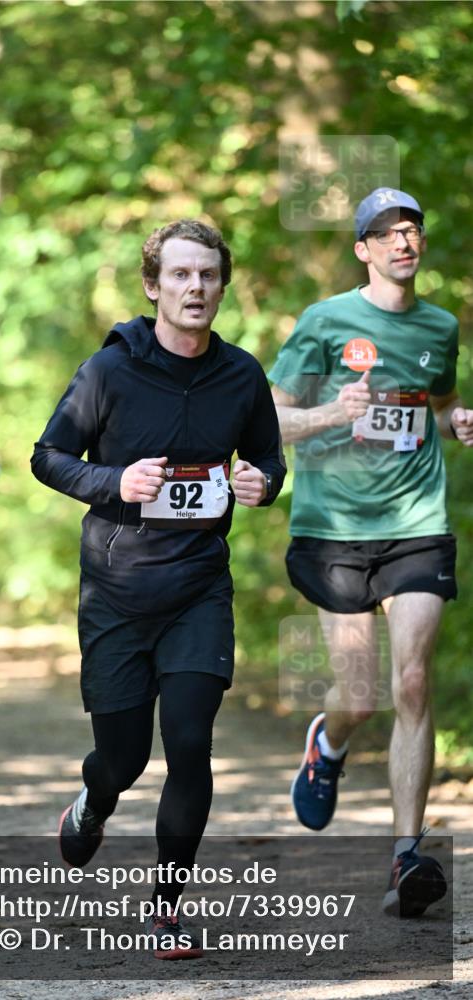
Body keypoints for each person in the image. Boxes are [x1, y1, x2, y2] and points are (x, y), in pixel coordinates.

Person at [32, 220, 285, 959]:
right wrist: (113, 480)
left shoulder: (241, 374)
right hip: (114, 588)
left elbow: (267, 458)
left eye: (207, 275)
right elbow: (47, 457)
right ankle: (93, 798)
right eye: (179, 275)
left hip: (197, 588)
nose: (194, 288)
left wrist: (261, 482)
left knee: (189, 743)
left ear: (221, 286)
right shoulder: (108, 372)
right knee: (124, 758)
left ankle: (165, 908)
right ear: (153, 286)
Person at [268, 188, 472, 917]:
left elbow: (440, 401)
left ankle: (404, 859)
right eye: (384, 233)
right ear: (362, 249)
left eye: (411, 229)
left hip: (417, 520)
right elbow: (269, 412)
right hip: (333, 529)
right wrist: (332, 412)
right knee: (359, 694)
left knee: (411, 682)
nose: (401, 242)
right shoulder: (325, 321)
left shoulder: (439, 325)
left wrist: (458, 420)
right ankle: (327, 741)